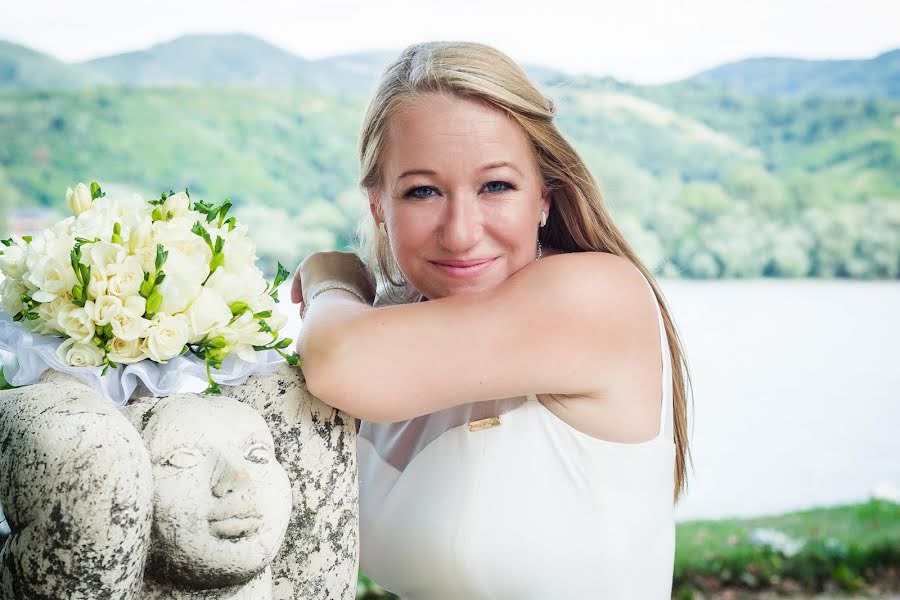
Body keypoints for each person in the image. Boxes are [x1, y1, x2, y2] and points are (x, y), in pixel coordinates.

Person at [291, 41, 693, 599]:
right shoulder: (394, 322)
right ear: (379, 207)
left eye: (496, 186)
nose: (461, 231)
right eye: (423, 191)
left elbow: (338, 360)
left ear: (545, 199)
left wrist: (330, 277)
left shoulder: (594, 296)